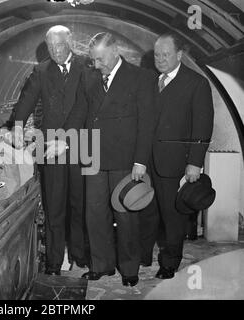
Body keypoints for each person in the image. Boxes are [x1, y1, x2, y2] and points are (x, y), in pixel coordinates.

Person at [75, 32, 156, 286]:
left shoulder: (142, 78)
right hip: (94, 157)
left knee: (126, 215)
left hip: (126, 159)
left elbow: (147, 123)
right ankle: (102, 265)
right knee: (95, 214)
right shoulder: (89, 77)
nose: (97, 66)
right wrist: (60, 138)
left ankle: (129, 268)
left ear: (115, 50)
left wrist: (140, 161)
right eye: (93, 60)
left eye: (100, 60)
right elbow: (79, 112)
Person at [11, 25, 89, 275]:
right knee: (54, 206)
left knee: (79, 206)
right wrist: (17, 125)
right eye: (51, 47)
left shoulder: (87, 65)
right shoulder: (41, 70)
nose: (55, 52)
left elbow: (91, 103)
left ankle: (79, 256)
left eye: (60, 46)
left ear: (70, 43)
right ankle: (54, 262)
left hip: (82, 145)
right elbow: (26, 100)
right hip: (51, 147)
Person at [140, 33, 214, 279]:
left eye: (165, 54)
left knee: (173, 217)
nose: (160, 59)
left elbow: (203, 127)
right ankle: (143, 256)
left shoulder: (196, 83)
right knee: (148, 212)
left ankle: (169, 263)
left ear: (179, 55)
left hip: (175, 163)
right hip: (147, 161)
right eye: (157, 54)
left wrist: (195, 163)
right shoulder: (150, 80)